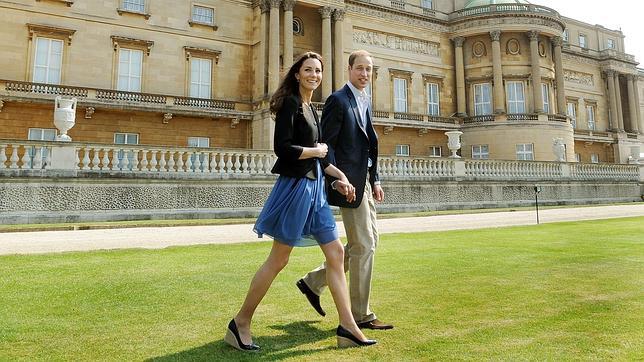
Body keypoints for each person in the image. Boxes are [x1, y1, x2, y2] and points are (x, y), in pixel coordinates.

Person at [224, 52, 376, 351]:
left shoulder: (311, 107)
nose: (314, 75)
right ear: (297, 74)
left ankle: (348, 326)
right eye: (308, 70)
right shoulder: (291, 103)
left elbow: (319, 155)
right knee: (279, 259)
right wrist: (316, 153)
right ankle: (240, 322)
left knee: (335, 253)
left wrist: (339, 176)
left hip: (317, 187)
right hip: (296, 189)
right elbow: (283, 148)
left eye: (318, 71)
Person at [297, 50, 393, 331]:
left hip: (363, 180)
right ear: (349, 70)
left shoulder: (365, 101)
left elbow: (369, 146)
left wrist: (375, 179)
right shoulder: (339, 100)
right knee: (365, 245)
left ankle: (313, 282)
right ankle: (361, 315)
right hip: (348, 183)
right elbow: (328, 146)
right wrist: (338, 178)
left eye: (369, 70)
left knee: (364, 242)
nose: (365, 74)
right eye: (360, 68)